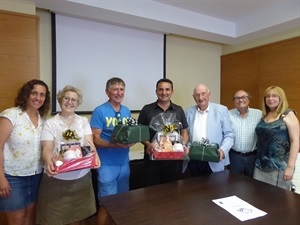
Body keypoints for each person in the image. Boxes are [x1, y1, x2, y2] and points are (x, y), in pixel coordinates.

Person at [37, 85, 100, 225]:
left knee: (79, 218)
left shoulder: (83, 121)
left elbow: (90, 144)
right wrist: (48, 161)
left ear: (78, 103)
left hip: (82, 178)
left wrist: (96, 157)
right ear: (60, 100)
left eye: (74, 100)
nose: (70, 102)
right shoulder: (50, 123)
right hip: (57, 180)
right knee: (55, 219)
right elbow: (47, 148)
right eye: (66, 98)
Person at [0, 79, 51, 225]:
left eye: (42, 95)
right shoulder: (11, 115)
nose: (38, 98)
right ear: (26, 94)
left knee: (30, 217)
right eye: (34, 93)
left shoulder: (43, 120)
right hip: (13, 177)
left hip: (36, 176)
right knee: (17, 220)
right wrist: (1, 178)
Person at [90, 77, 134, 223]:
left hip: (124, 163)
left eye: (122, 89)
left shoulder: (127, 110)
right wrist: (113, 145)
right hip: (107, 164)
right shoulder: (100, 111)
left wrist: (132, 140)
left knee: (122, 201)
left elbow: (129, 132)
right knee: (107, 204)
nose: (119, 92)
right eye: (115, 89)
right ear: (107, 92)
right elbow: (94, 139)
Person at [138, 78, 189, 187]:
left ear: (172, 92)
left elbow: (184, 131)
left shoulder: (178, 110)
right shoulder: (147, 110)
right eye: (161, 90)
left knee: (172, 190)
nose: (164, 93)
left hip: (174, 159)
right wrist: (148, 144)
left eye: (167, 89)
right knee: (151, 191)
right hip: (152, 158)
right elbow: (140, 133)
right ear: (156, 91)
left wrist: (183, 145)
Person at [254, 86, 299, 190]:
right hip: (260, 166)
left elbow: (295, 141)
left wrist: (290, 167)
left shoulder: (288, 114)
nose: (270, 99)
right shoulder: (264, 115)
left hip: (279, 167)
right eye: (268, 96)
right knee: (260, 197)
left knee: (278, 201)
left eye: (274, 96)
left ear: (281, 98)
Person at [185, 83, 234, 176]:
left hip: (215, 159)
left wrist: (222, 151)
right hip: (193, 159)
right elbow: (185, 133)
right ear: (193, 97)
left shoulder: (221, 110)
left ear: (209, 95)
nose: (200, 97)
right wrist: (186, 147)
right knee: (194, 189)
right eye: (197, 95)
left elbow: (229, 135)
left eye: (203, 94)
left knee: (216, 189)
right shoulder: (187, 112)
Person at [229, 90, 262, 177]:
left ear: (249, 99)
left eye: (243, 97)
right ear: (234, 101)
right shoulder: (228, 114)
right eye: (237, 98)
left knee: (253, 184)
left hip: (253, 156)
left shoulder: (259, 114)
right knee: (233, 183)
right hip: (234, 156)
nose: (240, 100)